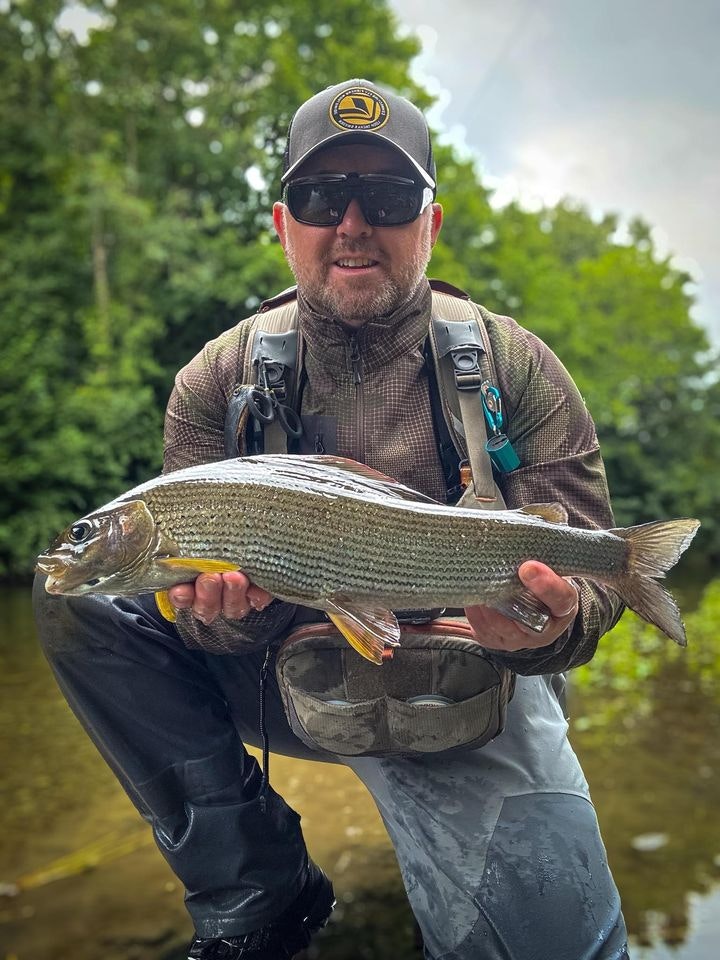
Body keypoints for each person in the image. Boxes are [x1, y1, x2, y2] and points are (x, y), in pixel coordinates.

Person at [34, 79, 631, 959]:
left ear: (430, 222)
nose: (352, 222)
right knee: (83, 600)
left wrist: (551, 624)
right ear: (285, 224)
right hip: (286, 673)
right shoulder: (216, 377)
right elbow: (205, 621)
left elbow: (594, 579)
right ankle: (260, 887)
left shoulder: (514, 363)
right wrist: (224, 624)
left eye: (387, 197)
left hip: (467, 682)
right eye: (320, 197)